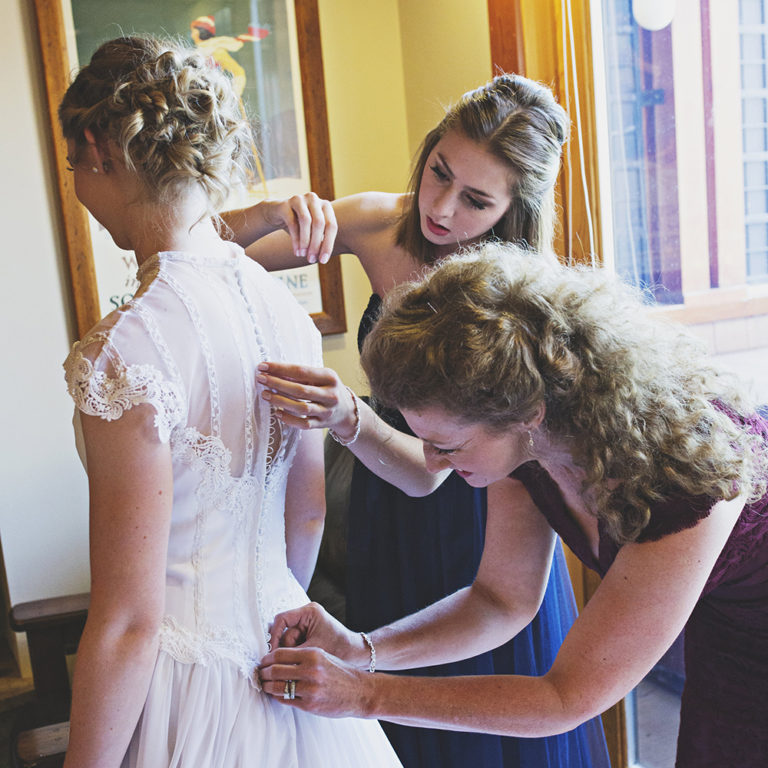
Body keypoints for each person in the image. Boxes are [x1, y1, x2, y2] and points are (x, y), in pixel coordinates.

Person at [258, 243, 768, 768]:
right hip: (725, 631)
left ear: (527, 413)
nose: (432, 464)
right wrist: (361, 649)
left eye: (448, 446)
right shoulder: (529, 443)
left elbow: (566, 697)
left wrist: (365, 696)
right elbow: (499, 600)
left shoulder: (688, 480)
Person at [236, 75, 609, 766]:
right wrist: (265, 214)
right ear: (430, 149)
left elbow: (435, 473)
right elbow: (201, 258)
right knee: (396, 710)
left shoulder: (520, 300)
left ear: (513, 209)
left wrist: (348, 416)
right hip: (390, 504)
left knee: (487, 714)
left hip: (485, 506)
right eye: (439, 172)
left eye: (475, 201)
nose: (441, 209)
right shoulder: (380, 224)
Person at [58, 35, 401, 767]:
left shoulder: (123, 352)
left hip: (181, 689)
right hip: (287, 664)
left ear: (97, 149)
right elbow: (304, 510)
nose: (77, 189)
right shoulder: (278, 309)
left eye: (70, 166)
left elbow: (126, 623)